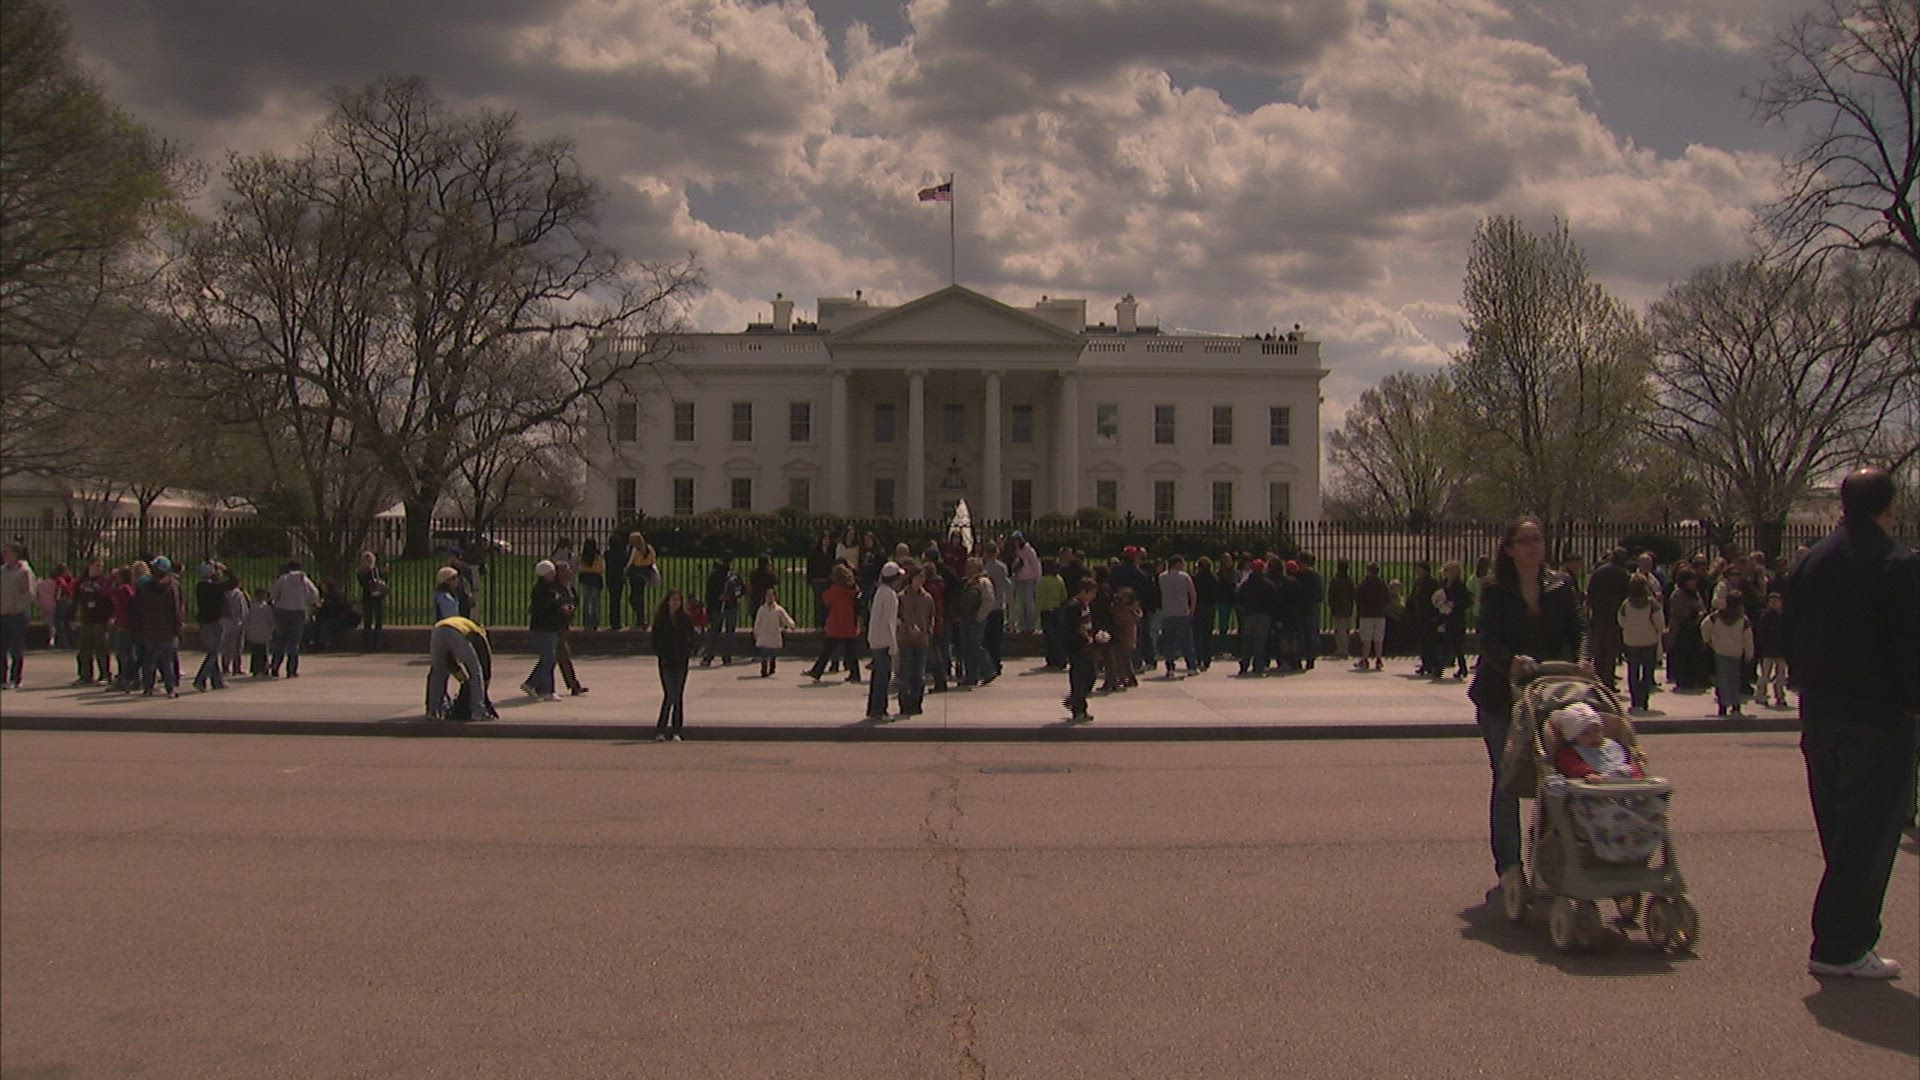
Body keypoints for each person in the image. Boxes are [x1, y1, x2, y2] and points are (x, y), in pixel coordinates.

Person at [1786, 467, 1919, 980]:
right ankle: (1843, 944)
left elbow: (1791, 631)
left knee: (1840, 831)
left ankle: (1844, 936)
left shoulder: (1812, 560)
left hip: (1822, 711)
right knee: (1869, 837)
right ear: (1890, 507)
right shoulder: (1897, 563)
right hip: (1879, 716)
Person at [1469, 516, 1587, 897]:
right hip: (1502, 697)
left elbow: (1578, 629)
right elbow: (1488, 638)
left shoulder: (1560, 585)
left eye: (1538, 539)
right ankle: (1509, 865)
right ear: (1508, 549)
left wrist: (1582, 660)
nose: (1534, 546)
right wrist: (1510, 662)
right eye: (1525, 540)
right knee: (1508, 779)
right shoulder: (1494, 589)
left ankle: (1551, 860)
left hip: (1551, 693)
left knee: (1555, 778)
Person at [129, 557, 184, 698]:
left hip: (149, 628)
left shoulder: (145, 587)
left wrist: (138, 627)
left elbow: (138, 608)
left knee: (149, 660)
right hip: (167, 630)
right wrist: (178, 628)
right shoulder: (172, 586)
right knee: (166, 661)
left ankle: (148, 688)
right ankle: (170, 688)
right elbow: (176, 609)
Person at [426, 615, 496, 722]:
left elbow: (449, 661)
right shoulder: (479, 632)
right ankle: (478, 711)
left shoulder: (461, 622)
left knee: (438, 672)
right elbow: (485, 660)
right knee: (475, 671)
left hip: (438, 630)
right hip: (456, 632)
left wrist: (462, 679)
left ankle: (433, 711)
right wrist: (485, 682)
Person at [1550, 703, 1644, 780]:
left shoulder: (1613, 746)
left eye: (1597, 731)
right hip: (1595, 788)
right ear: (1574, 738)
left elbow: (1628, 764)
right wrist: (1587, 774)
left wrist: (1636, 776)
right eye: (1585, 733)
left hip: (1624, 784)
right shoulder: (1571, 752)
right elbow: (1571, 767)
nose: (1593, 735)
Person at [1616, 574, 1667, 713]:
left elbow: (1621, 621)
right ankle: (1644, 699)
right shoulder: (1652, 604)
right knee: (1647, 672)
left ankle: (1635, 699)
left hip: (1631, 641)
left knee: (1633, 671)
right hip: (1649, 641)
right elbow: (1660, 623)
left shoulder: (1626, 604)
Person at [651, 590, 697, 741]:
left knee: (678, 695)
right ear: (668, 601)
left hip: (681, 661)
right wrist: (660, 653)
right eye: (673, 600)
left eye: (678, 600)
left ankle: (676, 730)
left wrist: (688, 651)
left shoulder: (685, 618)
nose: (676, 603)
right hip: (666, 662)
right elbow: (655, 639)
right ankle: (661, 730)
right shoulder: (661, 619)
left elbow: (692, 638)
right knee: (670, 694)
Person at [1061, 578, 1108, 723]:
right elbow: (1074, 627)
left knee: (1090, 675)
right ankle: (1079, 709)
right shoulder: (1073, 607)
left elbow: (1088, 624)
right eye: (1092, 593)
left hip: (1087, 646)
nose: (1094, 596)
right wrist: (1086, 638)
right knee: (1080, 678)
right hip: (1077, 647)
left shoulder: (1085, 606)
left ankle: (1075, 700)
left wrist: (1096, 635)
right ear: (1083, 591)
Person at [1586, 547, 1633, 691]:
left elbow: (1590, 592)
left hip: (1599, 615)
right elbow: (1627, 596)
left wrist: (1593, 608)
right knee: (1611, 651)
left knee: (1599, 650)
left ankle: (1597, 680)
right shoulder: (1624, 574)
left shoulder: (1599, 572)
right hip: (1615, 617)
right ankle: (1608, 681)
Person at [520, 560, 567, 702]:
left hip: (551, 627)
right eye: (551, 572)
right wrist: (557, 603)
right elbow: (544, 608)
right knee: (549, 659)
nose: (554, 574)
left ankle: (547, 689)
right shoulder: (542, 590)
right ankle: (533, 684)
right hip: (543, 628)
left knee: (548, 659)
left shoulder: (551, 587)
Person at [806, 564, 863, 683]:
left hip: (836, 623)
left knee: (826, 651)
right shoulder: (853, 591)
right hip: (849, 624)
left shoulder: (834, 590)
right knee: (851, 652)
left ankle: (817, 671)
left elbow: (826, 599)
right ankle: (855, 674)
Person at [1701, 591, 1754, 717]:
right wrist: (1749, 654)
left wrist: (1708, 640)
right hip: (1736, 652)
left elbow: (1704, 625)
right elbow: (1748, 639)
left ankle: (1723, 705)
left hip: (1720, 650)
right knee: (1734, 679)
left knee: (1722, 679)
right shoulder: (1743, 619)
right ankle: (1735, 705)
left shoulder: (1716, 616)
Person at [865, 561, 903, 722]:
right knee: (883, 678)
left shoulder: (880, 591)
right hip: (884, 640)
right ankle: (880, 711)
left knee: (877, 677)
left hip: (876, 639)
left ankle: (873, 709)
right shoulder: (890, 595)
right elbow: (889, 622)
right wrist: (893, 645)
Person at [267, 560, 319, 678]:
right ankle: (291, 670)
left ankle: (275, 666)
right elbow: (314, 594)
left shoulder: (283, 579)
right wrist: (308, 602)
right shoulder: (304, 580)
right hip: (299, 611)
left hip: (282, 610)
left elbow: (273, 593)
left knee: (280, 639)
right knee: (294, 641)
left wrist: (276, 601)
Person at [896, 567, 934, 717]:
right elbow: (897, 617)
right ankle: (904, 704)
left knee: (918, 674)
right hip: (906, 640)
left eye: (923, 577)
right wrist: (905, 628)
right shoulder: (901, 597)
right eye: (918, 577)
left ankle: (916, 703)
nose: (921, 580)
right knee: (905, 674)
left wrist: (928, 630)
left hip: (921, 641)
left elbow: (931, 617)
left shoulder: (927, 598)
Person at [72, 559, 115, 686]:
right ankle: (85, 675)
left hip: (101, 618)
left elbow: (110, 599)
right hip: (86, 618)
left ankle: (105, 674)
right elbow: (75, 600)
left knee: (101, 648)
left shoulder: (104, 581)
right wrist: (72, 617)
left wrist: (111, 616)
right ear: (89, 566)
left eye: (101, 566)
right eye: (97, 566)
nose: (99, 569)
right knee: (84, 649)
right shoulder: (81, 582)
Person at [1156, 554, 1200, 678]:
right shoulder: (1185, 576)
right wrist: (1192, 610)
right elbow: (1193, 594)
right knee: (1186, 641)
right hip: (1182, 612)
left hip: (1167, 613)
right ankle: (1191, 666)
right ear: (1178, 564)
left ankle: (1170, 667)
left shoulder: (1162, 577)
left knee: (1169, 642)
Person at [0, 542, 36, 690]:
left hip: (16, 615)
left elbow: (29, 594)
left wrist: (15, 607)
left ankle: (15, 678)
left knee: (16, 648)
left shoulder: (24, 571)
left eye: (7, 552)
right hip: (2, 614)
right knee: (1, 649)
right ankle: (2, 678)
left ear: (16, 554)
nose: (4, 555)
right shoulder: (2, 570)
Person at [551, 564, 589, 696]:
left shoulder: (569, 587)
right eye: (566, 570)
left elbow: (575, 600)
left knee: (552, 658)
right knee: (562, 656)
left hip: (564, 626)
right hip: (555, 627)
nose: (569, 572)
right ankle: (574, 685)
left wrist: (572, 608)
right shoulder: (555, 588)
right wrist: (564, 608)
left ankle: (536, 684)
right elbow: (554, 604)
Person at [191, 562, 230, 692]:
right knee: (213, 653)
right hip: (215, 622)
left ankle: (217, 681)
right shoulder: (215, 587)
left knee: (212, 652)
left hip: (204, 622)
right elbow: (234, 582)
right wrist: (225, 569)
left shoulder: (200, 586)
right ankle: (200, 679)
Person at [1234, 559, 1276, 676]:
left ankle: (1244, 665)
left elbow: (1239, 598)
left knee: (1247, 641)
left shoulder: (1246, 584)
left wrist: (1243, 610)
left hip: (1249, 614)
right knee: (1260, 642)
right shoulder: (1268, 584)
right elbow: (1273, 600)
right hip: (1264, 615)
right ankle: (1258, 666)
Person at [701, 557, 744, 667]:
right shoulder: (715, 577)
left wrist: (732, 596)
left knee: (727, 634)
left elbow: (741, 590)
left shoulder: (733, 577)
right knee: (715, 633)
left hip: (729, 607)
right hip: (718, 608)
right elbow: (709, 594)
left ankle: (726, 656)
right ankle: (710, 656)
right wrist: (717, 599)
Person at [1434, 561, 1473, 680]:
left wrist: (1455, 604)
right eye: (1446, 571)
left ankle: (1441, 669)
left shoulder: (1460, 586)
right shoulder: (1443, 584)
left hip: (1457, 619)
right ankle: (1459, 668)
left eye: (1451, 571)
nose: (1448, 573)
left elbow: (1468, 601)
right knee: (1449, 644)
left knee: (1455, 645)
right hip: (1446, 617)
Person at [753, 587, 797, 677]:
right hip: (764, 633)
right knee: (764, 652)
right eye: (768, 596)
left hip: (774, 634)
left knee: (773, 652)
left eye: (771, 595)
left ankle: (772, 666)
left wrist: (791, 624)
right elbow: (758, 621)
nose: (770, 598)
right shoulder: (762, 609)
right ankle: (763, 670)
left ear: (775, 597)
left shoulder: (778, 609)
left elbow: (785, 618)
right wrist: (755, 631)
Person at [1755, 592, 1789, 708]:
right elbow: (1760, 633)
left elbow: (1787, 633)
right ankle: (1761, 695)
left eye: (1776, 601)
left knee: (1781, 676)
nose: (1774, 604)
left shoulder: (1784, 617)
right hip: (1767, 650)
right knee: (1765, 675)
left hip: (1781, 650)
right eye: (1772, 601)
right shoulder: (1764, 616)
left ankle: (1780, 696)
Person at [1353, 563, 1389, 671]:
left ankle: (1365, 659)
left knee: (1366, 639)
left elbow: (1357, 597)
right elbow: (1387, 598)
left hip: (1366, 614)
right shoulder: (1382, 583)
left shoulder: (1364, 583)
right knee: (1378, 639)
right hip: (1380, 614)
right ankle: (1378, 659)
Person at [624, 531, 659, 631]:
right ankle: (641, 618)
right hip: (645, 574)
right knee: (639, 596)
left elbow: (629, 562)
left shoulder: (635, 550)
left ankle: (641, 617)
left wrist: (626, 572)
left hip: (635, 574)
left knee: (633, 597)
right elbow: (653, 559)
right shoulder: (649, 548)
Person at [356, 551, 389, 652]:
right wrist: (370, 572)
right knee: (368, 621)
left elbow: (384, 581)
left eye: (370, 560)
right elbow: (364, 583)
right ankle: (367, 644)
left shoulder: (378, 571)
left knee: (378, 621)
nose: (368, 562)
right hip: (368, 598)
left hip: (379, 598)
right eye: (366, 560)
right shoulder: (361, 572)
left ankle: (377, 643)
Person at [1326, 559, 1356, 661]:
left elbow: (1331, 594)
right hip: (1347, 606)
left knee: (1339, 629)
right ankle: (1345, 648)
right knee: (1346, 629)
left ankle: (1340, 649)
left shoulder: (1335, 580)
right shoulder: (1349, 580)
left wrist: (1331, 605)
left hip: (1337, 606)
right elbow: (1353, 594)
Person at [243, 587, 274, 677]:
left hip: (257, 631)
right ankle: (262, 668)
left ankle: (257, 668)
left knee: (257, 651)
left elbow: (247, 619)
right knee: (262, 651)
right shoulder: (266, 608)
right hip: (262, 631)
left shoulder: (252, 607)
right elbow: (271, 620)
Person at [577, 539, 605, 631]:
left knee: (586, 601)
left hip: (585, 578)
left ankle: (586, 622)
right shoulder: (597, 556)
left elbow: (580, 568)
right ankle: (594, 622)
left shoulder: (583, 556)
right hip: (595, 579)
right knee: (594, 602)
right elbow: (601, 569)